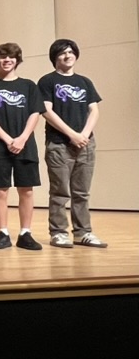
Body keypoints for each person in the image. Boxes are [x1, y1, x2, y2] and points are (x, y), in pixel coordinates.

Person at [0, 43, 44, 251]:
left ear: (17, 60)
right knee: (1, 190)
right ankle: (3, 232)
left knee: (27, 190)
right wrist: (7, 139)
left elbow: (35, 113)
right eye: (2, 57)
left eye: (11, 57)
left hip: (25, 144)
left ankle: (25, 233)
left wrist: (21, 138)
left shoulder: (29, 86)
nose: (7, 60)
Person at [39, 39, 107, 249]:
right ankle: (58, 232)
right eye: (62, 53)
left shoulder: (84, 82)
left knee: (82, 192)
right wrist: (71, 134)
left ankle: (83, 232)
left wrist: (84, 135)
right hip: (59, 144)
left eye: (70, 52)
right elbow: (46, 111)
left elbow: (94, 110)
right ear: (55, 58)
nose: (67, 56)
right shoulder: (47, 81)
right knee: (60, 192)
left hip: (86, 143)